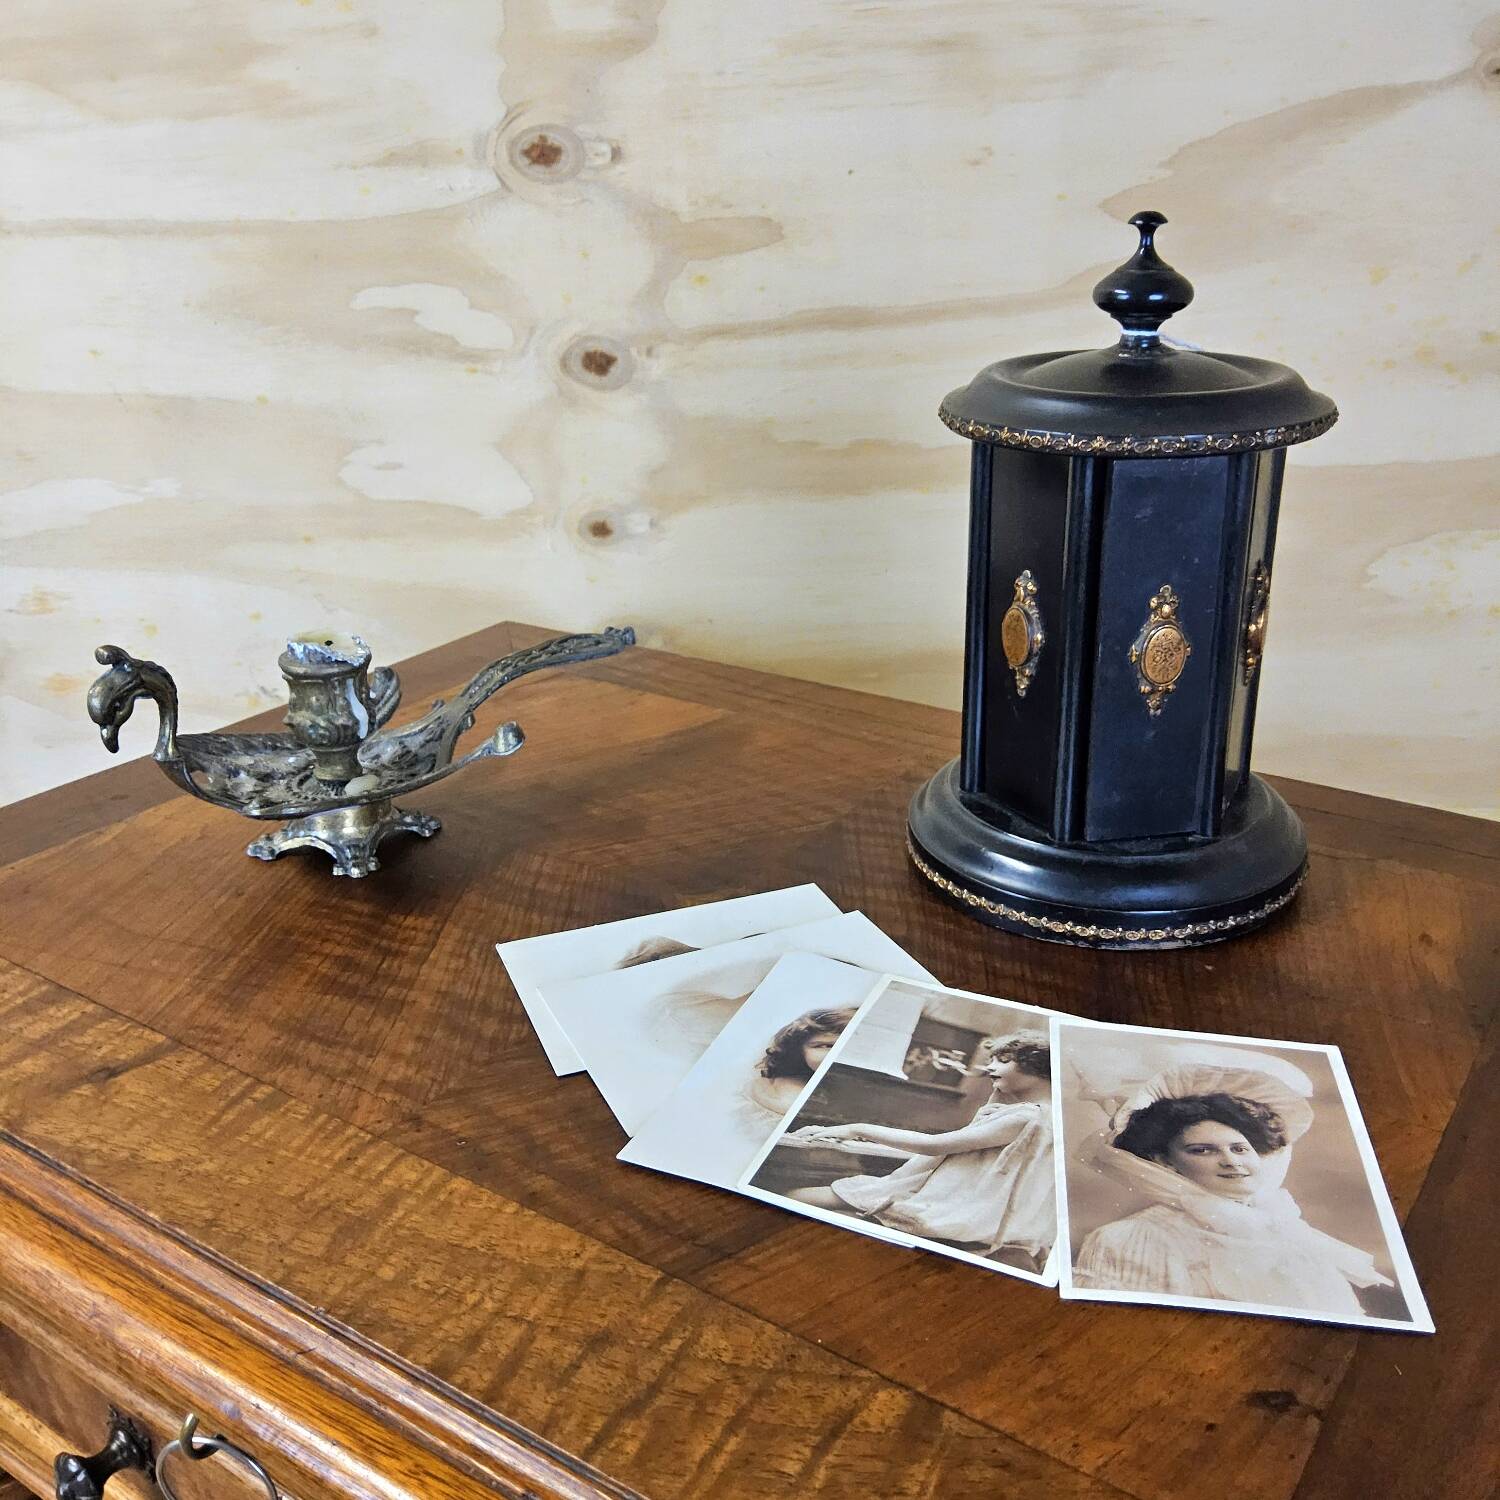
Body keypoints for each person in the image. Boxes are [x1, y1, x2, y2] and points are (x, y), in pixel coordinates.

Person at [1071, 1063, 1394, 1314]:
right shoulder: (1130, 1238)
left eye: (1239, 1149)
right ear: (1165, 1161)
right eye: (1203, 1150)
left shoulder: (1287, 1230)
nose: (1231, 1162)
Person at [786, 1028, 1055, 1269]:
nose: (990, 1068)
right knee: (804, 1196)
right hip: (952, 1200)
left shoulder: (1026, 1118)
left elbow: (933, 1145)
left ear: (1037, 1068)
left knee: (797, 1195)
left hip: (952, 1211)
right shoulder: (1033, 1115)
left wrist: (856, 1128)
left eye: (1003, 1061)